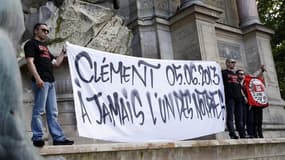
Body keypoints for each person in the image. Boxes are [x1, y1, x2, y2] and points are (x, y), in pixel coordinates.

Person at [24, 23, 74, 147]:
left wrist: (63, 52)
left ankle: (58, 138)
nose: (46, 32)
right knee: (39, 110)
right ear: (36, 31)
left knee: (53, 112)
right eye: (43, 30)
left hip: (50, 82)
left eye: (47, 31)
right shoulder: (31, 44)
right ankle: (37, 137)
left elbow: (56, 63)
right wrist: (37, 78)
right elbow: (30, 62)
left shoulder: (45, 47)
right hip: (41, 81)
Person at [236, 65, 267, 138]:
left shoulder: (247, 81)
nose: (243, 75)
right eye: (240, 74)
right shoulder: (237, 82)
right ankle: (244, 134)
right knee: (243, 120)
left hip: (250, 104)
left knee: (253, 120)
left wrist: (261, 71)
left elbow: (255, 77)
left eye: (243, 74)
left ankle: (255, 134)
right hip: (241, 103)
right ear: (237, 75)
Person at [222, 58, 246, 139]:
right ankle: (232, 134)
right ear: (227, 63)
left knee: (239, 118)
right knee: (230, 117)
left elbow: (239, 86)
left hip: (239, 98)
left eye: (234, 62)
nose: (233, 64)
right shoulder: (223, 72)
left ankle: (242, 134)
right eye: (232, 62)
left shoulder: (236, 74)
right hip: (230, 97)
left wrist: (244, 97)